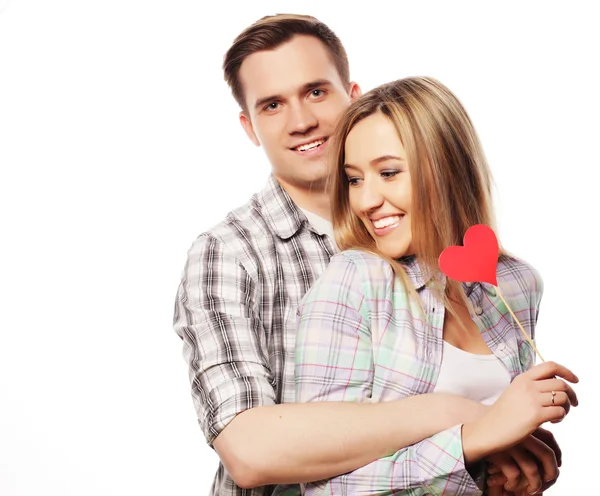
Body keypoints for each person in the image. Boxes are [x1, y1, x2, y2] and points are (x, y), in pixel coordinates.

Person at [173, 14, 563, 496]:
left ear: (352, 94)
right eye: (272, 105)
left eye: (316, 91)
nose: (301, 121)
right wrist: (465, 420)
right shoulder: (228, 256)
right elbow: (250, 452)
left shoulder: (450, 259)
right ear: (249, 126)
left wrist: (504, 465)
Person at [294, 76, 579, 495]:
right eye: (355, 179)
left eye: (388, 173)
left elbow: (493, 457)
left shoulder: (518, 283)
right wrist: (473, 440)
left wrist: (514, 470)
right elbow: (321, 485)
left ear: (446, 167)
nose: (366, 201)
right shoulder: (354, 281)